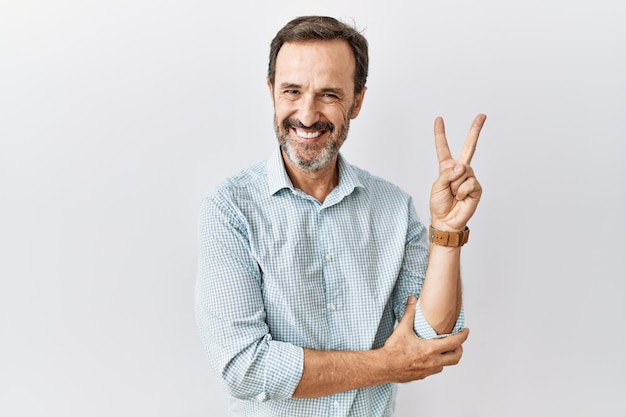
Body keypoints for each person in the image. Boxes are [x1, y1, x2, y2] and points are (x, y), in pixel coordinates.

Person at [195, 15, 486, 417]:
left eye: (329, 94)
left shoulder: (394, 208)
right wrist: (386, 364)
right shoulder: (230, 210)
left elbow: (433, 338)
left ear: (357, 100)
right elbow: (243, 366)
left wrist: (447, 232)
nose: (308, 115)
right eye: (292, 91)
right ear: (271, 92)